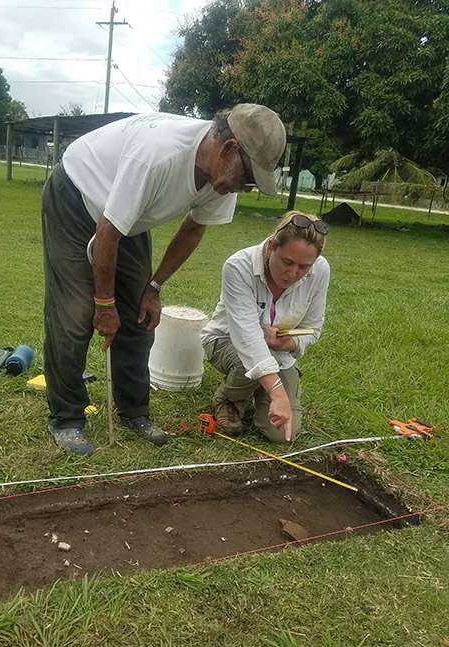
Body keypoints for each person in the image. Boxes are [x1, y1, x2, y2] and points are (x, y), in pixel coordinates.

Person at [41, 104, 287, 455]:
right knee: (75, 314)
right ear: (229, 149)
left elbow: (192, 229)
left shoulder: (220, 181)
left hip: (127, 216)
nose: (246, 188)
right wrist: (104, 304)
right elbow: (107, 234)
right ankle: (66, 419)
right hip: (78, 195)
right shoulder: (158, 157)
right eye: (248, 176)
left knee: (141, 316)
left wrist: (153, 289)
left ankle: (134, 410)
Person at [200, 211, 330, 443]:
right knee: (249, 359)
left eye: (304, 267)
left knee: (281, 436)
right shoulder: (238, 266)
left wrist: (289, 343)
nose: (293, 274)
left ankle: (260, 387)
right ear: (271, 248)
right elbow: (247, 340)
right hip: (225, 343)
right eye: (287, 262)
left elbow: (313, 328)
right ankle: (228, 399)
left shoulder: (321, 270)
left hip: (278, 353)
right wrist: (278, 392)